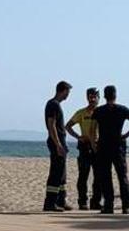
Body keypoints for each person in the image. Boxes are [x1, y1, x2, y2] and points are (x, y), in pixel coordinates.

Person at [90, 85, 129, 214]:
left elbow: (92, 130)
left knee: (105, 176)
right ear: (115, 95)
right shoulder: (122, 109)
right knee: (122, 175)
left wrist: (93, 145)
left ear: (104, 95)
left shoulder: (99, 111)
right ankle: (127, 205)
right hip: (117, 145)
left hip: (103, 145)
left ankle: (109, 205)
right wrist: (126, 135)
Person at [66, 87, 101, 210]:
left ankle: (95, 201)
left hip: (98, 146)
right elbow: (68, 126)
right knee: (83, 176)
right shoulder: (81, 112)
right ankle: (82, 202)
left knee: (99, 176)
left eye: (94, 97)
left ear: (98, 98)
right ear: (87, 98)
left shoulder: (102, 112)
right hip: (85, 146)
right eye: (90, 97)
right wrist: (78, 136)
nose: (92, 99)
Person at [43, 81, 72, 212]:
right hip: (57, 142)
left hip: (61, 141)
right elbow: (51, 125)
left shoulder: (56, 105)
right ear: (63, 91)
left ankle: (61, 200)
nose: (68, 95)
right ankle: (50, 202)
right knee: (56, 172)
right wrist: (58, 144)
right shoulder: (53, 105)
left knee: (62, 174)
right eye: (68, 92)